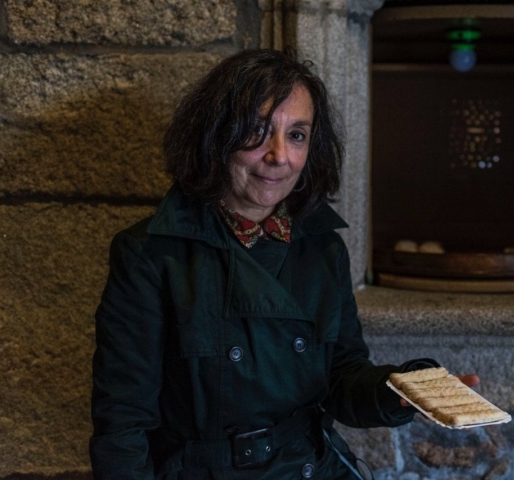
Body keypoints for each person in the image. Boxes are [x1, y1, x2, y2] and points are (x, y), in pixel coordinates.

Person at [90, 48, 477, 480]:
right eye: (257, 131)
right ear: (216, 136)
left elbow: (342, 377)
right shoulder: (150, 253)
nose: (280, 156)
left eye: (297, 135)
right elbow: (123, 422)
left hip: (312, 467)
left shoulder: (322, 246)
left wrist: (401, 392)